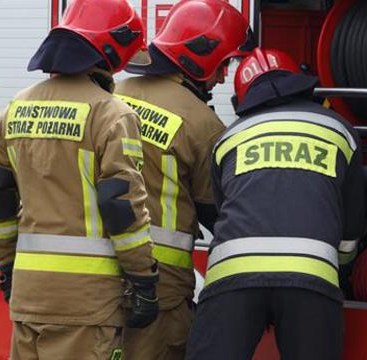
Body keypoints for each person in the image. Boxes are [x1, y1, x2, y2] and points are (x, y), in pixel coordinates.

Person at [0, 0, 159, 358]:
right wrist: (143, 279)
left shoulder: (14, 109)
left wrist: (9, 267)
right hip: (87, 300)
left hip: (29, 292)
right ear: (112, 53)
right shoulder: (112, 114)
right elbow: (120, 206)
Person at [185, 48, 365, 360]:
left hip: (233, 276)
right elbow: (351, 224)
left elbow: (221, 207)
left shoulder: (229, 138)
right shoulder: (340, 131)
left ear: (242, 99)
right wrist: (343, 269)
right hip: (310, 278)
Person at [113, 0, 253, 358]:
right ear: (201, 57)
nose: (224, 77)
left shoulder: (116, 94)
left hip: (101, 275)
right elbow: (218, 213)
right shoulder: (204, 127)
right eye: (223, 65)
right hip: (163, 287)